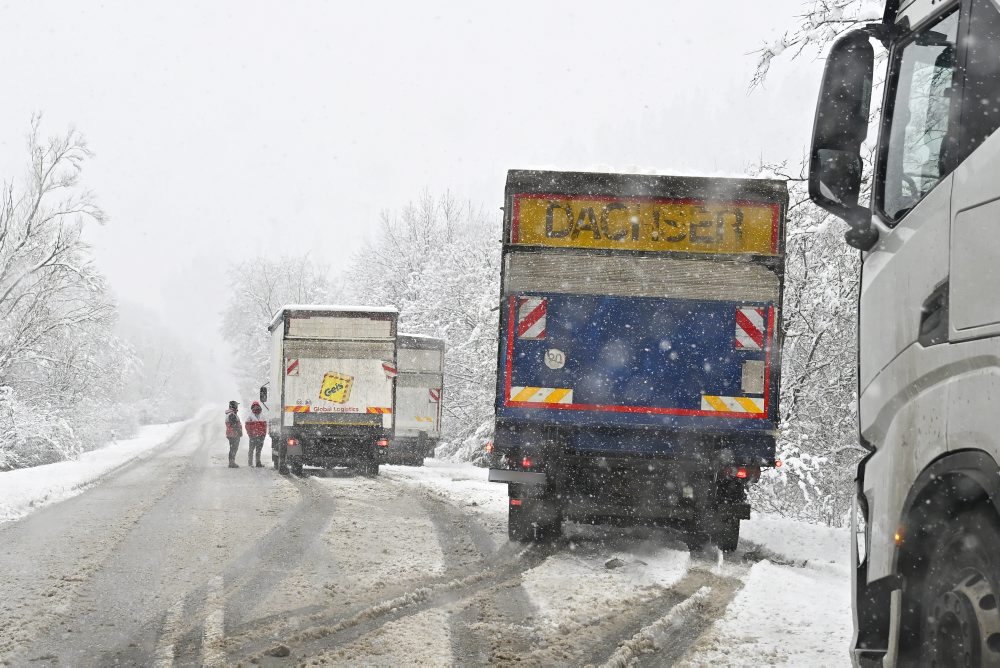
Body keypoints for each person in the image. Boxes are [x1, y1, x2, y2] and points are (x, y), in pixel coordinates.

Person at [244, 401, 268, 468]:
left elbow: (265, 426)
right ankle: (250, 463)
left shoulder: (262, 416)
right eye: (254, 406)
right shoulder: (250, 416)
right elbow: (247, 427)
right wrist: (250, 434)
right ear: (252, 407)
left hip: (260, 436)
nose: (256, 407)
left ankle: (258, 463)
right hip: (253, 437)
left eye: (257, 406)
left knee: (258, 450)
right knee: (251, 450)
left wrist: (263, 435)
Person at [225, 400, 242, 468]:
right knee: (234, 448)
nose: (237, 407)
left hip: (231, 434)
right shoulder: (232, 414)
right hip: (233, 434)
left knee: (233, 448)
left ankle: (231, 462)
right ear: (234, 406)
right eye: (236, 405)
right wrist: (238, 432)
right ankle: (231, 462)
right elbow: (234, 425)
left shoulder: (231, 413)